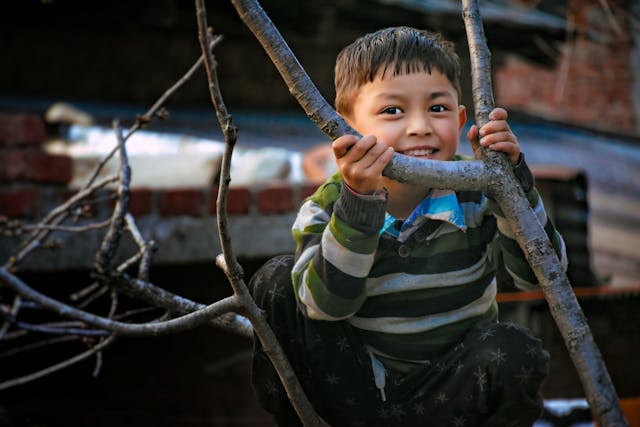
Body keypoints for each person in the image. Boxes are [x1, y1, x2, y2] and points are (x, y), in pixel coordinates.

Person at [249, 26, 567, 426]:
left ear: (461, 117)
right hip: (355, 393)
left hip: (452, 394)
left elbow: (542, 277)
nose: (420, 127)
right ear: (343, 126)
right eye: (392, 111)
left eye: (437, 108)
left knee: (515, 349)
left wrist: (513, 186)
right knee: (276, 280)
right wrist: (360, 205)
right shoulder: (326, 207)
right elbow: (325, 308)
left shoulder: (478, 193)